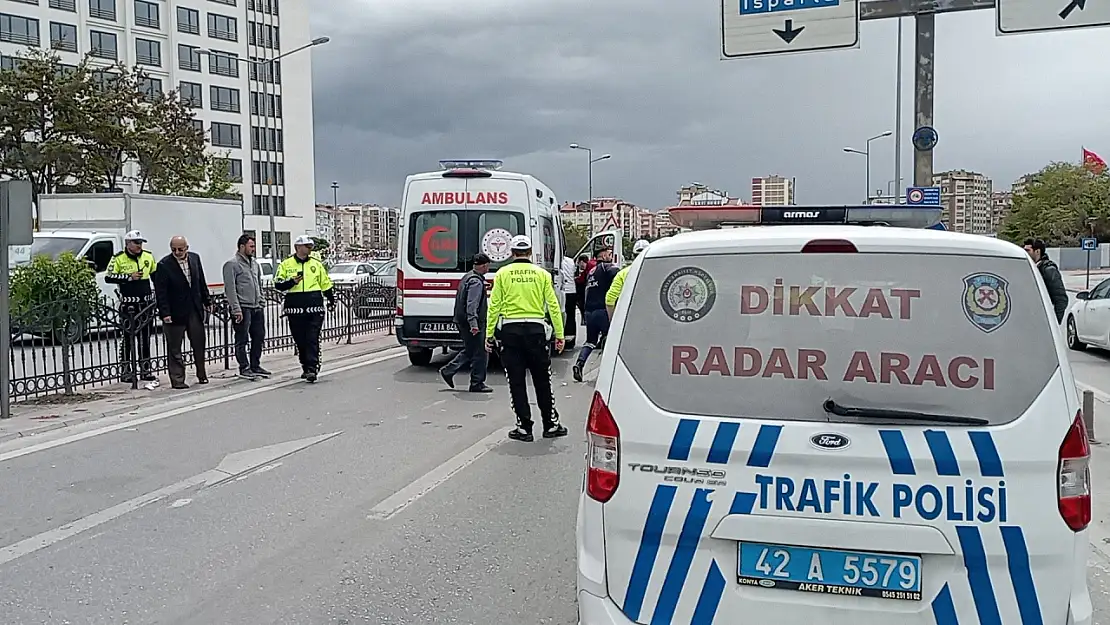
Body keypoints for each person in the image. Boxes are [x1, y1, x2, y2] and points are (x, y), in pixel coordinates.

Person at [486, 235, 568, 442]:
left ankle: (524, 427)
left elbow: (493, 307)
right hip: (536, 330)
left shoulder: (502, 274)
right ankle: (550, 424)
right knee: (542, 380)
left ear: (512, 253)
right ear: (530, 252)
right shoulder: (542, 274)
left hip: (510, 332)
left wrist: (489, 335)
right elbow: (553, 307)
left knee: (516, 381)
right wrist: (559, 335)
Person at [154, 236, 212, 389]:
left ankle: (202, 374)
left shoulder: (194, 259)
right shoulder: (164, 265)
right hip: (174, 312)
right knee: (175, 348)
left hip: (194, 308)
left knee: (199, 343)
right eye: (174, 249)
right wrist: (165, 313)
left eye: (180, 249)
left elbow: (201, 282)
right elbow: (161, 293)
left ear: (187, 247)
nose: (177, 252)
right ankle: (178, 379)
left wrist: (207, 301)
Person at [274, 235, 334, 382]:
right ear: (298, 247)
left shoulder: (316, 264)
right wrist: (291, 282)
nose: (309, 249)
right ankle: (305, 366)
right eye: (307, 246)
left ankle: (312, 368)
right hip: (295, 308)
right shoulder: (286, 264)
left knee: (312, 338)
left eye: (310, 246)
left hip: (314, 308)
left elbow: (325, 283)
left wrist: (331, 300)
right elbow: (278, 284)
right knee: (300, 340)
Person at [106, 230, 158, 384]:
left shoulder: (148, 256)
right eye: (136, 243)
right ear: (128, 244)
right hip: (129, 304)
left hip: (146, 304)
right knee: (128, 339)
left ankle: (145, 369)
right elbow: (109, 277)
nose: (139, 246)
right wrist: (129, 277)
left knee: (145, 338)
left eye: (141, 243)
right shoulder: (118, 259)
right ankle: (126, 371)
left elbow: (155, 276)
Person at [440, 253, 492, 393]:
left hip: (462, 321)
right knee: (480, 352)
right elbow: (471, 304)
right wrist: (473, 324)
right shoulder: (476, 282)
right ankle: (477, 383)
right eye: (488, 265)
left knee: (471, 350)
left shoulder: (468, 277)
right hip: (472, 323)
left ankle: (449, 370)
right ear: (485, 265)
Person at [223, 234, 269, 380]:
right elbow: (230, 289)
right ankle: (244, 366)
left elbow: (258, 284)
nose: (253, 249)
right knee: (242, 338)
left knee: (259, 336)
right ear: (242, 246)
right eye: (251, 246)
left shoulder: (254, 264)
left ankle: (256, 365)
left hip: (256, 306)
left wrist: (261, 301)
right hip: (243, 307)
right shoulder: (232, 264)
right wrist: (236, 309)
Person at [572, 246, 619, 382]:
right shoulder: (607, 268)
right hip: (603, 310)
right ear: (603, 256)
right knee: (610, 339)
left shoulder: (591, 271)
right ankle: (608, 370)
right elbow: (621, 276)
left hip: (589, 312)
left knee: (590, 341)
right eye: (609, 254)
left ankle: (579, 364)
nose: (611, 256)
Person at [1024, 238, 1069, 323]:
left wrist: (1053, 323)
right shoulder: (1030, 268)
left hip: (1042, 322)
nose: (1025, 253)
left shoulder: (1048, 270)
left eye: (1028, 251)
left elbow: (1061, 299)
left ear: (1037, 251)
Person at [606, 239, 651, 319]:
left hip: (629, 318)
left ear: (633, 256)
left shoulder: (623, 274)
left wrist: (613, 322)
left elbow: (610, 299)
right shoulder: (657, 272)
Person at [560, 254, 579, 344]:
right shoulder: (571, 261)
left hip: (563, 291)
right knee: (571, 316)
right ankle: (571, 340)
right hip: (572, 290)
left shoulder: (559, 261)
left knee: (562, 314)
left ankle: (562, 336)